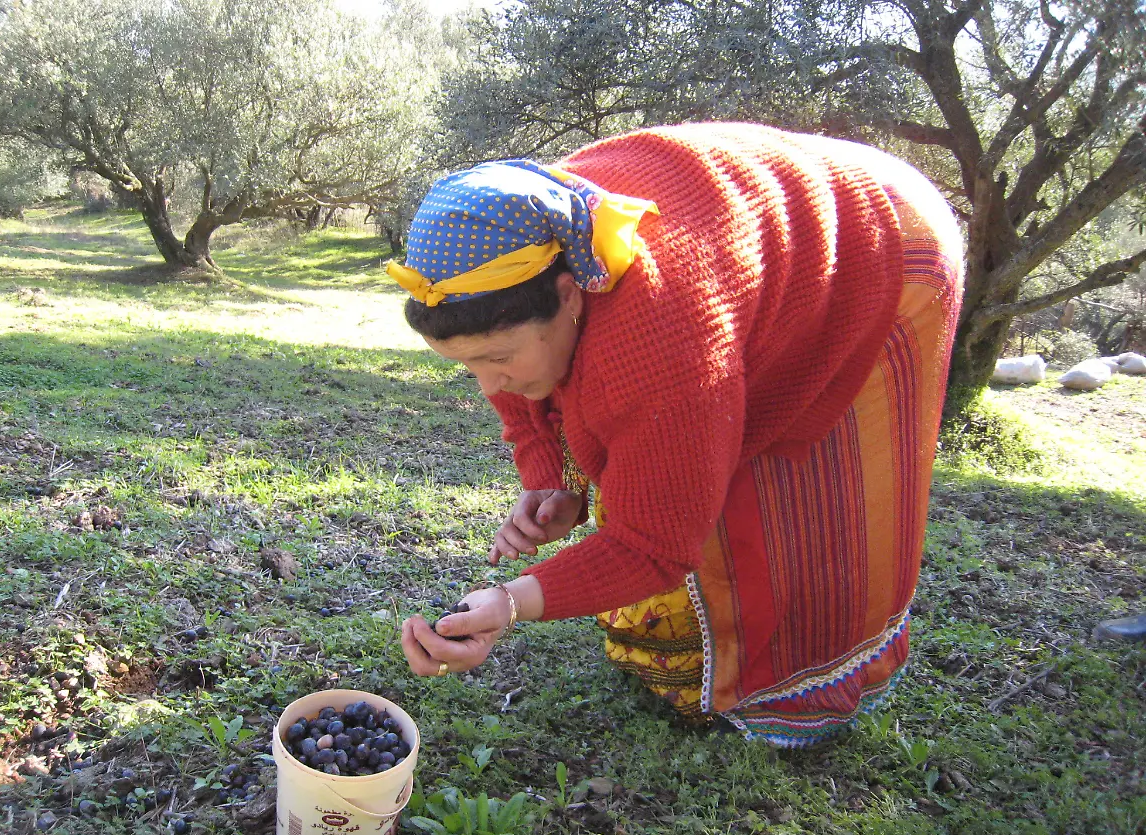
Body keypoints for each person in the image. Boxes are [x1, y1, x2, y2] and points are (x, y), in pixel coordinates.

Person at [387, 122, 964, 747]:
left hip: (883, 241)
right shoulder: (527, 239)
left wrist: (509, 603)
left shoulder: (662, 344)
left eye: (497, 358)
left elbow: (652, 544)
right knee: (686, 467)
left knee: (806, 500)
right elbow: (526, 390)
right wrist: (550, 481)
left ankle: (806, 684)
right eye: (466, 366)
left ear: (567, 293)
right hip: (734, 253)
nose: (488, 387)